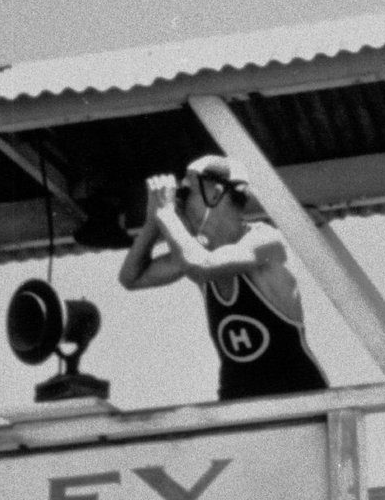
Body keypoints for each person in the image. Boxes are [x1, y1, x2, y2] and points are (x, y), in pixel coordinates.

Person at [116, 155, 329, 401]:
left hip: (299, 395)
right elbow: (130, 278)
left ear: (216, 194)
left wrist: (167, 214)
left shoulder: (266, 240)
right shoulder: (194, 252)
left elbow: (203, 266)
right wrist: (152, 220)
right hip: (238, 397)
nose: (181, 204)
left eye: (187, 193)